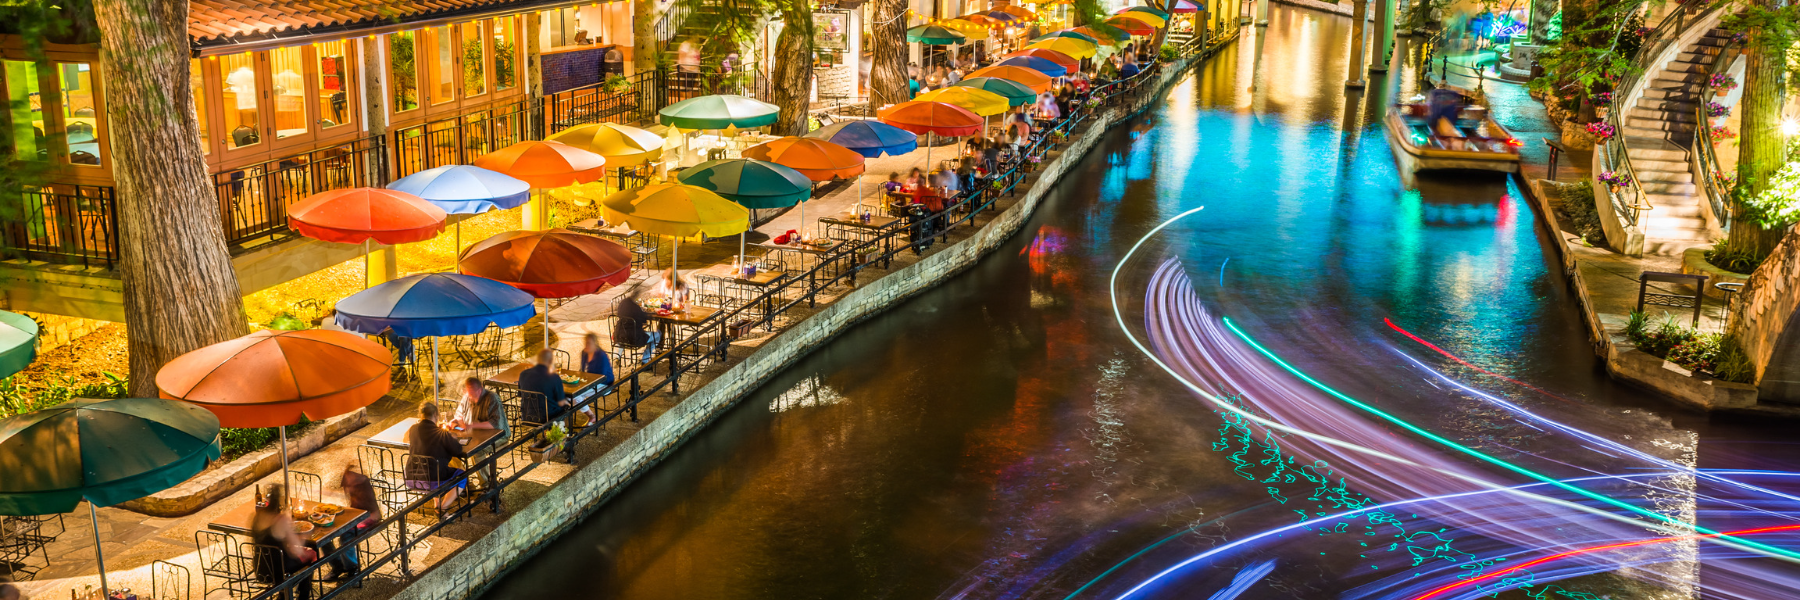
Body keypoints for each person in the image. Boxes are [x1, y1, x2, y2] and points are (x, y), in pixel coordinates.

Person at [250, 486, 318, 600]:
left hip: (260, 568)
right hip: (279, 571)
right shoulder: (281, 519)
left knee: (299, 556)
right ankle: (302, 596)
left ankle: (283, 595)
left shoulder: (257, 516)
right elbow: (295, 551)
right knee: (310, 556)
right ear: (280, 505)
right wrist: (304, 543)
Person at [320, 465, 382, 582]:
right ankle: (337, 566)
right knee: (324, 537)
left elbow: (376, 515)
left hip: (368, 521)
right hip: (354, 519)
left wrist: (355, 522)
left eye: (349, 484)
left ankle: (352, 568)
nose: (347, 488)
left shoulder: (365, 490)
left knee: (345, 539)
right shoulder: (352, 489)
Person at [404, 402, 468, 510]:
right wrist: (452, 438)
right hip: (433, 481)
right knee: (462, 476)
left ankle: (437, 504)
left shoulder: (413, 429)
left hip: (411, 478)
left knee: (433, 466)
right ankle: (443, 508)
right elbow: (457, 450)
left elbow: (405, 439)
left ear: (421, 416)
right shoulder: (440, 433)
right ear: (435, 415)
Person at [516, 349, 570, 427]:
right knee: (567, 406)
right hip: (547, 418)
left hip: (527, 416)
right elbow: (561, 402)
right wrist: (567, 402)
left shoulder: (523, 374)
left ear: (538, 359)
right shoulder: (554, 377)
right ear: (551, 361)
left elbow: (521, 395)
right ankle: (558, 434)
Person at [614, 294, 662, 364]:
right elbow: (644, 319)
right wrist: (650, 313)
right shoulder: (636, 309)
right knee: (657, 334)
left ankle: (617, 357)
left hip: (619, 337)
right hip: (635, 339)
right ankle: (645, 360)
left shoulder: (621, 309)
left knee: (624, 333)